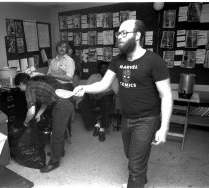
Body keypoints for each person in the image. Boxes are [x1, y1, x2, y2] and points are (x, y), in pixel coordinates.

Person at [73, 20, 173, 188]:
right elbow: (104, 84)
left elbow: (166, 95)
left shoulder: (154, 61)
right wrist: (84, 87)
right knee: (131, 154)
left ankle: (136, 181)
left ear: (138, 35)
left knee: (135, 162)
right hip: (127, 117)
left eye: (124, 33)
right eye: (118, 34)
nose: (119, 37)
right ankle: (142, 178)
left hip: (147, 119)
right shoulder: (117, 60)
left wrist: (164, 128)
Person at [14, 73, 73, 173]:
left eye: (19, 87)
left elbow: (31, 111)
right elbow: (46, 100)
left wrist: (25, 122)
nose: (20, 89)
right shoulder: (34, 83)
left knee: (56, 135)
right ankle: (59, 152)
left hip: (61, 105)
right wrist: (39, 114)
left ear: (21, 83)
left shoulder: (29, 88)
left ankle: (54, 162)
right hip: (64, 103)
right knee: (59, 131)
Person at [78, 61, 118, 142]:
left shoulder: (113, 77)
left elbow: (114, 91)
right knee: (82, 104)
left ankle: (102, 129)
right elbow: (87, 87)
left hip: (106, 96)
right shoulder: (93, 76)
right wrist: (91, 95)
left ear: (108, 69)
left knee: (106, 103)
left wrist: (102, 95)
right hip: (93, 96)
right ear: (99, 70)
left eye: (105, 68)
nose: (103, 69)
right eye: (101, 68)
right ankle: (97, 124)